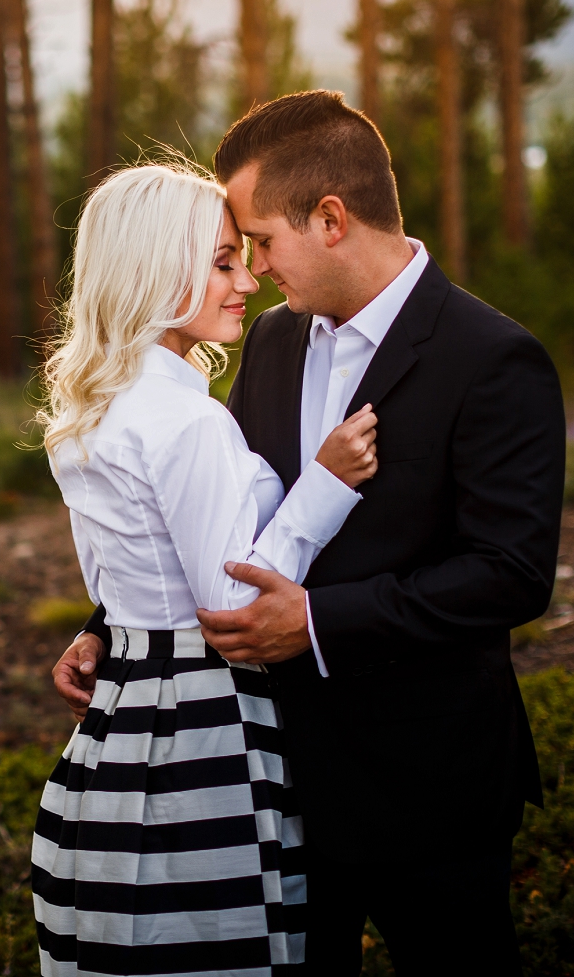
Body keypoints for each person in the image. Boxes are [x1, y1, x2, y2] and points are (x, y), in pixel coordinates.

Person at [54, 91, 566, 975]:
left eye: (259, 241)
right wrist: (116, 624)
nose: (252, 270)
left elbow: (510, 573)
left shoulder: (489, 356)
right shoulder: (275, 344)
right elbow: (222, 518)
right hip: (274, 776)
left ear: (330, 218)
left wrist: (320, 621)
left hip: (425, 780)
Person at [31, 163, 385, 975]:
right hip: (202, 729)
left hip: (122, 722)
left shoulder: (97, 407)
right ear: (156, 271)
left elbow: (124, 576)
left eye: (243, 257)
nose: (248, 280)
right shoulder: (186, 420)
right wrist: (322, 489)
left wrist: (99, 634)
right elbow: (230, 604)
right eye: (222, 261)